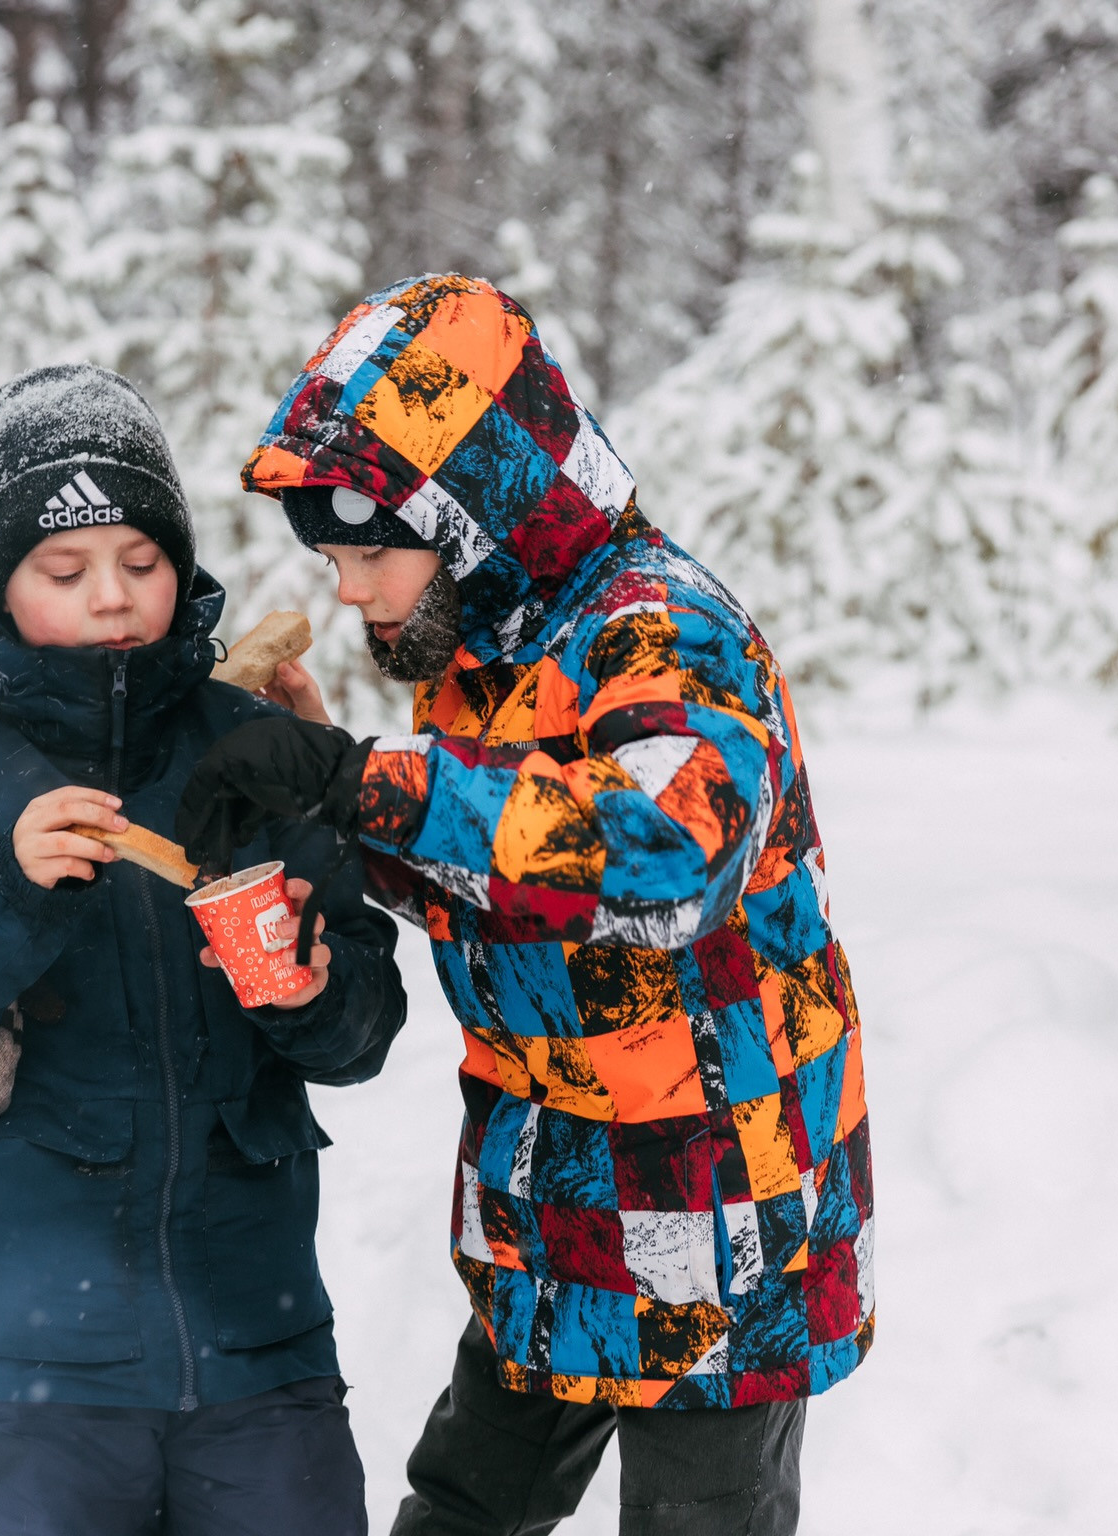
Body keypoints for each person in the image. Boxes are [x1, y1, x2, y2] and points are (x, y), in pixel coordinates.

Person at [174, 274, 873, 1536]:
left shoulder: (656, 630)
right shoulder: (489, 653)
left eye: (371, 554)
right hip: (557, 1199)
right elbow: (517, 879)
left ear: (472, 514)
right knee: (463, 1509)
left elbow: (663, 855)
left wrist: (364, 781)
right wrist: (338, 798)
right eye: (334, 560)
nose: (349, 592)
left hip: (717, 1210)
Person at [0, 364, 409, 1536]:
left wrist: (308, 983)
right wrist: (2, 891)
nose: (115, 598)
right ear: (0, 583)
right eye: (66, 571)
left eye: (142, 561)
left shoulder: (259, 748)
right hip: (19, 1374)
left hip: (258, 1351)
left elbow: (364, 1029)